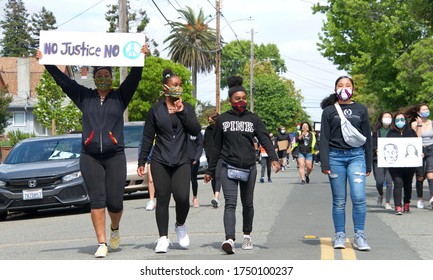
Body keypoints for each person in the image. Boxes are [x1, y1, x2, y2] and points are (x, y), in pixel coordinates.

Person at [36, 45, 149, 258]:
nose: (103, 78)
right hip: (90, 157)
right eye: (99, 75)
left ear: (112, 77)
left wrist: (140, 58)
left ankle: (115, 228)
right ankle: (102, 242)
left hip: (115, 155)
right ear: (94, 78)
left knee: (115, 202)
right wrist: (47, 62)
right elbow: (64, 82)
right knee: (97, 200)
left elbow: (135, 77)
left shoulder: (120, 97)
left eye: (107, 74)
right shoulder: (84, 97)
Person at [204, 75, 280, 254]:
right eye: (237, 99)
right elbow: (216, 147)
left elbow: (264, 138)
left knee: (248, 203)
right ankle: (229, 239)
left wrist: (273, 157)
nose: (241, 101)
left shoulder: (253, 118)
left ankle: (247, 235)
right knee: (230, 203)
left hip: (249, 167)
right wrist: (211, 170)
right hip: (227, 166)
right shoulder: (222, 120)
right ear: (230, 100)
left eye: (244, 98)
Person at [137, 68, 201, 253]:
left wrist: (182, 113)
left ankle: (180, 225)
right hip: (160, 160)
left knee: (182, 197)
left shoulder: (187, 108)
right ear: (165, 88)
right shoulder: (155, 110)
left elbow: (195, 131)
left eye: (180, 85)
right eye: (175, 85)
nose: (179, 88)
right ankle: (163, 238)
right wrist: (142, 161)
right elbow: (148, 137)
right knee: (162, 197)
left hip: (182, 160)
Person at [319, 76, 372, 251]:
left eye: (347, 85)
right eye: (340, 85)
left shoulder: (361, 109)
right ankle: (340, 235)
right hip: (335, 157)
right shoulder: (328, 111)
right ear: (335, 89)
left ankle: (360, 235)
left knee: (358, 197)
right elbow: (324, 138)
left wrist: (368, 163)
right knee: (339, 200)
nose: (344, 88)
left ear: (353, 89)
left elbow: (367, 138)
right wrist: (325, 163)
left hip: (357, 156)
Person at [386, 112, 417, 215]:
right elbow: (386, 147)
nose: (400, 122)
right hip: (395, 166)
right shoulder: (391, 133)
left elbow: (417, 145)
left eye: (402, 119)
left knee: (408, 184)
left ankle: (407, 203)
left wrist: (420, 153)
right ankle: (398, 206)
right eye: (398, 120)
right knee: (398, 183)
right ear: (394, 122)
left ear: (405, 120)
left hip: (409, 164)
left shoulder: (411, 132)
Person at [408, 104, 433, 208]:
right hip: (418, 150)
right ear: (418, 112)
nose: (426, 111)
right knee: (420, 176)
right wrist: (418, 125)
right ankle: (420, 198)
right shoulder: (414, 124)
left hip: (431, 148)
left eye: (427, 109)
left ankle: (432, 197)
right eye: (423, 109)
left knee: (430, 174)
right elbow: (416, 138)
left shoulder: (431, 123)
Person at [371, 112, 394, 210]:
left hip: (391, 159)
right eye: (385, 117)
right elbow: (371, 144)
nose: (387, 119)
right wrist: (376, 149)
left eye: (389, 117)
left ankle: (388, 202)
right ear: (381, 119)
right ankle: (381, 194)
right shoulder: (376, 132)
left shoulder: (394, 131)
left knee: (389, 182)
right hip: (378, 159)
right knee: (379, 181)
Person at [203, 111, 222, 208]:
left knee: (218, 175)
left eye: (211, 120)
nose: (209, 121)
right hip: (210, 156)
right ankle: (215, 196)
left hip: (219, 156)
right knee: (212, 177)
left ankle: (216, 196)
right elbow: (205, 142)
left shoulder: (220, 129)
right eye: (209, 120)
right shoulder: (207, 130)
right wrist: (206, 153)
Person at [187, 133, 204, 208]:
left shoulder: (197, 132)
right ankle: (184, 199)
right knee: (184, 181)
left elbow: (200, 146)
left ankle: (195, 197)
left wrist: (196, 158)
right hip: (183, 159)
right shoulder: (183, 130)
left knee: (193, 179)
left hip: (194, 160)